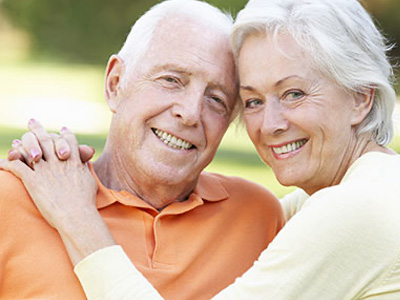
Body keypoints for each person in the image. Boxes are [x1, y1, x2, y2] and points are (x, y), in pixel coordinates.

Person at [4, 0, 400, 299]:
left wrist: (76, 217)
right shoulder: (17, 196)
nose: (190, 113)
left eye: (217, 99)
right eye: (254, 101)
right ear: (115, 83)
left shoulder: (351, 210)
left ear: (361, 99)